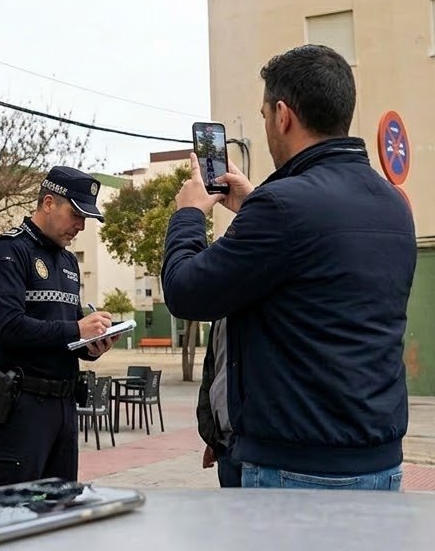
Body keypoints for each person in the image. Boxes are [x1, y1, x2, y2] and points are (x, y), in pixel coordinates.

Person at [161, 44, 416, 491]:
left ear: (282, 115)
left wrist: (189, 214)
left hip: (296, 468)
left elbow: (186, 291)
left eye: (264, 116)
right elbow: (314, 274)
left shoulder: (282, 207)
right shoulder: (392, 204)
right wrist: (254, 205)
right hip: (379, 463)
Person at [0, 166, 118, 488]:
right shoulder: (7, 252)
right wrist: (77, 330)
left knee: (62, 504)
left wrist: (92, 346)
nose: (81, 226)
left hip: (64, 405)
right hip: (21, 406)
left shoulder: (68, 262)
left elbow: (67, 331)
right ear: (49, 203)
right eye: (76, 214)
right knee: (14, 506)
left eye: (85, 218)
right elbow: (8, 328)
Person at [195, 317, 238, 488]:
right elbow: (212, 374)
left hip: (258, 447)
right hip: (225, 444)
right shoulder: (219, 316)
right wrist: (213, 436)